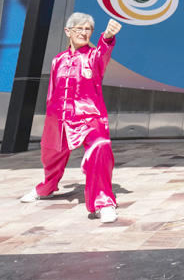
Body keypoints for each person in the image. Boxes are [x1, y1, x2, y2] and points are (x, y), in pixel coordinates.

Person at [21, 13, 122, 223]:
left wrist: (108, 36)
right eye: (79, 29)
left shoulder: (94, 57)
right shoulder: (58, 60)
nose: (84, 33)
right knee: (50, 155)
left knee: (100, 147)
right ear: (68, 32)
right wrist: (50, 122)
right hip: (59, 118)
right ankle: (46, 188)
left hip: (89, 116)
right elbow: (52, 92)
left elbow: (104, 51)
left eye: (88, 30)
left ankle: (104, 203)